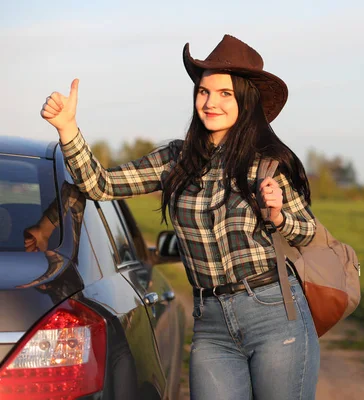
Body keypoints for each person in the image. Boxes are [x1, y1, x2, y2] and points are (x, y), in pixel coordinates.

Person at [40, 34, 320, 399]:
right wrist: (67, 129)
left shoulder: (267, 162)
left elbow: (308, 233)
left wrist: (280, 216)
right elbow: (101, 184)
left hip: (274, 315)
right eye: (203, 92)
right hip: (212, 322)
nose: (210, 102)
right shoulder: (176, 159)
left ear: (245, 101)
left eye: (224, 94)